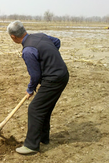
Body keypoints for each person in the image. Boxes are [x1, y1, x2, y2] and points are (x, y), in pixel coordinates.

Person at [7, 20, 69, 155]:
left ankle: (31, 145)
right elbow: (57, 41)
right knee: (44, 108)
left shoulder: (28, 51)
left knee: (35, 109)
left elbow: (35, 76)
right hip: (63, 74)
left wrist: (30, 89)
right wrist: (49, 58)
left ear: (13, 37)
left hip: (53, 79)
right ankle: (43, 138)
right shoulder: (41, 36)